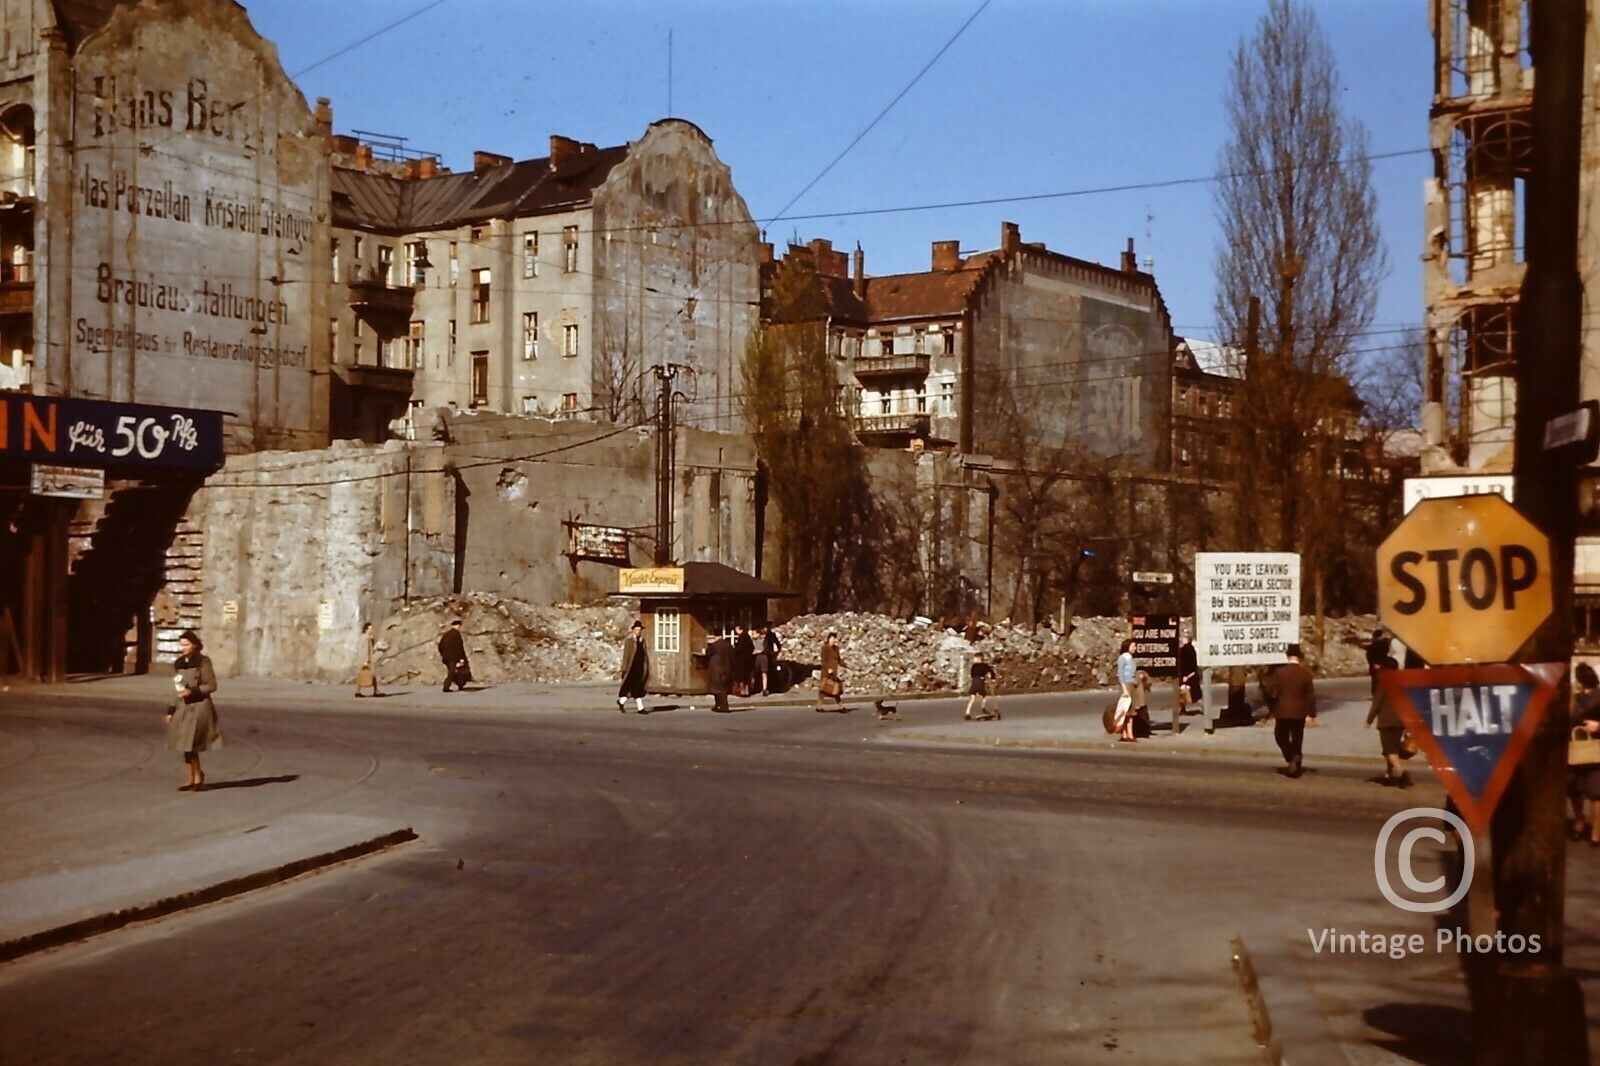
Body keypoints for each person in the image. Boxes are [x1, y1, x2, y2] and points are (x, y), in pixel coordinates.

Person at [165, 629, 221, 792]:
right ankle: (191, 778)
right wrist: (171, 710)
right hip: (183, 708)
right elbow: (177, 689)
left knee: (190, 745)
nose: (183, 648)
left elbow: (211, 685)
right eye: (181, 645)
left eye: (187, 645)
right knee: (183, 745)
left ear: (195, 645)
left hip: (199, 707)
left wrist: (193, 691)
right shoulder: (179, 663)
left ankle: (198, 777)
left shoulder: (203, 661)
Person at [1263, 643, 1317, 778]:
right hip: (1300, 712)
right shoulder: (1305, 673)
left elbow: (1268, 690)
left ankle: (1291, 756)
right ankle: (1296, 766)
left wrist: (1272, 704)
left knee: (1281, 736)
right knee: (1297, 739)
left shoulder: (1279, 672)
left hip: (1282, 711)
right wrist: (1312, 714)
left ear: (1287, 656)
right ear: (1300, 657)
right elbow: (1310, 695)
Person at [1364, 655, 1412, 787]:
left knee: (1390, 751)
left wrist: (1369, 720)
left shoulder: (1384, 683)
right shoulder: (1403, 684)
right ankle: (1389, 773)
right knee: (1392, 750)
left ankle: (1402, 773)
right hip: (1400, 721)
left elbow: (1377, 703)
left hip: (1386, 721)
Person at [1569, 663, 1600, 844]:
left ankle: (1595, 832)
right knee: (1575, 789)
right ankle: (1580, 822)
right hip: (1578, 749)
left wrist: (1598, 726)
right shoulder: (1575, 698)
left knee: (1596, 792)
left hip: (1595, 748)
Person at [618, 619, 649, 713]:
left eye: (640, 630)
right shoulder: (630, 641)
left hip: (639, 668)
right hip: (631, 668)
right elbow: (626, 655)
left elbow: (644, 655)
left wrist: (646, 667)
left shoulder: (642, 641)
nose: (638, 631)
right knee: (630, 687)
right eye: (636, 629)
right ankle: (640, 708)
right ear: (633, 630)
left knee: (637, 688)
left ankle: (621, 702)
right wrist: (623, 668)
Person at [1114, 639, 1140, 742]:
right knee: (1126, 710)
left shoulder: (1132, 658)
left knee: (1131, 711)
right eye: (1133, 646)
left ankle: (1130, 733)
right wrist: (1124, 689)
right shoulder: (1122, 658)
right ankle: (1125, 733)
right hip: (1126, 686)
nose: (1135, 648)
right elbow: (1120, 673)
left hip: (1132, 685)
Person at [964, 651, 1000, 721]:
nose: (974, 659)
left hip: (974, 681)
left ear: (978, 659)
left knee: (972, 698)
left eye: (975, 658)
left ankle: (967, 712)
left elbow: (972, 674)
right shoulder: (985, 666)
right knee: (983, 696)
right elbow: (991, 672)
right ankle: (983, 708)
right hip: (980, 681)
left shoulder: (974, 666)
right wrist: (992, 678)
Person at [1175, 634, 1200, 734]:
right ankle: (1183, 709)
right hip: (1190, 675)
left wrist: (1187, 676)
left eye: (1183, 638)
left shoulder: (1186, 650)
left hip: (1186, 675)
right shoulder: (1190, 649)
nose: (1181, 639)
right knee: (1189, 694)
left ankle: (1184, 709)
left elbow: (1188, 664)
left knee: (1190, 694)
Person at [438, 619, 471, 693]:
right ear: (457, 626)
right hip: (454, 658)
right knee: (452, 672)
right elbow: (459, 647)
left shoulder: (446, 635)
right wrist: (461, 658)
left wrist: (443, 654)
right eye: (459, 626)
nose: (459, 627)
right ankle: (446, 687)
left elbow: (440, 646)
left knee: (453, 672)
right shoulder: (456, 635)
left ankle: (460, 684)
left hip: (446, 657)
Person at [816, 631, 844, 712]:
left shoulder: (836, 649)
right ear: (829, 639)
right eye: (832, 638)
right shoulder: (825, 648)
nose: (833, 640)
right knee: (824, 689)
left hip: (834, 672)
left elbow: (839, 660)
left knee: (836, 689)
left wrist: (846, 665)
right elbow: (824, 660)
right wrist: (828, 669)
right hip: (826, 672)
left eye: (835, 638)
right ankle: (819, 706)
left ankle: (840, 706)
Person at [706, 631, 734, 713]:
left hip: (716, 670)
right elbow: (732, 657)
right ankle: (720, 705)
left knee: (717, 689)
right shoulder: (728, 645)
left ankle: (722, 706)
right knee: (723, 688)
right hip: (726, 669)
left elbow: (708, 653)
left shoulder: (714, 645)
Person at [354, 622, 383, 698]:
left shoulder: (364, 637)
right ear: (366, 629)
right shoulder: (366, 638)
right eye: (370, 628)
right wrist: (366, 660)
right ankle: (375, 691)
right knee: (371, 675)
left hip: (363, 658)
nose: (371, 630)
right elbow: (365, 649)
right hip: (367, 659)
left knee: (361, 675)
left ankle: (358, 691)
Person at [1365, 628, 1392, 694]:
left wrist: (1373, 664)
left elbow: (1369, 657)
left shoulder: (1372, 645)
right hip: (1381, 666)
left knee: (1375, 682)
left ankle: (1376, 694)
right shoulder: (1383, 645)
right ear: (1380, 636)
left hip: (1375, 666)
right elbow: (1385, 655)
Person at [732, 623, 755, 697]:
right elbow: (752, 647)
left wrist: (734, 650)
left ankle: (742, 691)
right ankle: (747, 691)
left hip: (742, 660)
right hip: (748, 660)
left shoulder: (742, 637)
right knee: (746, 676)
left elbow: (740, 648)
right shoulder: (747, 636)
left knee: (741, 676)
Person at [760, 624, 783, 695]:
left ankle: (769, 687)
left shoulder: (769, 635)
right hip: (769, 654)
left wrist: (775, 652)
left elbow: (777, 644)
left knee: (768, 671)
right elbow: (777, 644)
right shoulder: (767, 635)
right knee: (769, 671)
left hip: (768, 654)